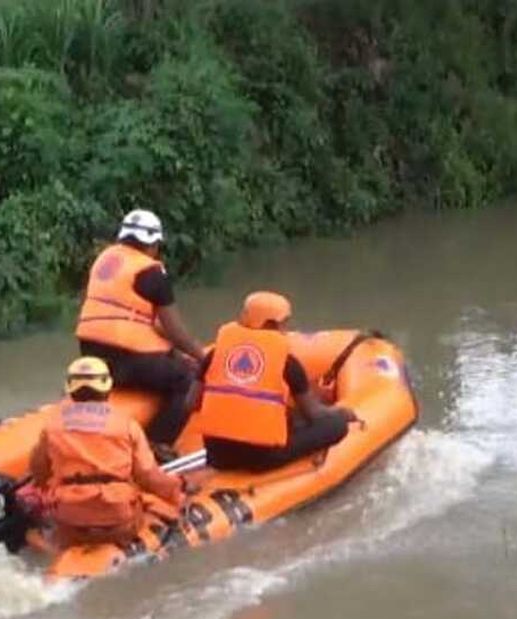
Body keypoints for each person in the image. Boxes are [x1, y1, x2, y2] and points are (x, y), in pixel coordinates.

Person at [29, 357, 191, 550]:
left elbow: (39, 473)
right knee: (156, 504)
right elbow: (148, 477)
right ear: (106, 387)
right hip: (118, 521)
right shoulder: (126, 425)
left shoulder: (52, 427)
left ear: (70, 388)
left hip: (70, 522)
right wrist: (177, 490)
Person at [75, 209, 204, 451]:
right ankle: (154, 446)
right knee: (186, 381)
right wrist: (203, 358)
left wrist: (174, 354)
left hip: (91, 355)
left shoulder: (105, 260)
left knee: (172, 363)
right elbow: (174, 331)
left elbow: (134, 319)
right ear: (153, 243)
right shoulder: (152, 272)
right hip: (127, 362)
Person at [193, 292, 360, 472]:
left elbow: (191, 402)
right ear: (271, 324)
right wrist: (340, 413)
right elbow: (315, 414)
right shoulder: (287, 362)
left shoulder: (214, 354)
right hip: (262, 457)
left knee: (291, 415)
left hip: (217, 456)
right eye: (284, 323)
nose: (286, 329)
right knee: (335, 425)